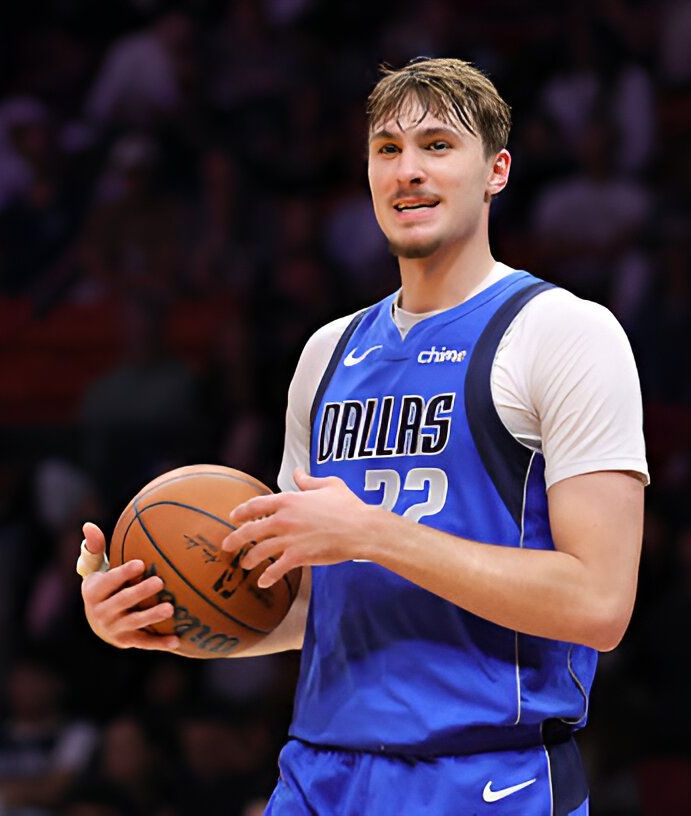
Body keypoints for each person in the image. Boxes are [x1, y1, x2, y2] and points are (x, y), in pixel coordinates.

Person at [76, 57, 648, 815]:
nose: (408, 170)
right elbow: (308, 607)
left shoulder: (564, 334)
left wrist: (375, 535)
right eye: (388, 149)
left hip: (482, 777)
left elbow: (600, 603)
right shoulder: (327, 354)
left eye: (438, 146)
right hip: (319, 774)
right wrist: (166, 620)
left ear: (496, 171)